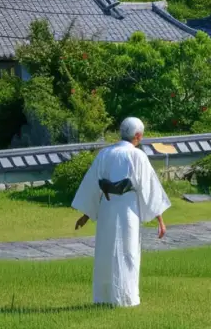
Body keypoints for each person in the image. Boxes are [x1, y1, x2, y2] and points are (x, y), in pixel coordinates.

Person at [72, 117, 171, 307]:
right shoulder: (137, 156)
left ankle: (105, 296)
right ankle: (126, 298)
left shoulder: (104, 154)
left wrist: (86, 214)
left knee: (106, 251)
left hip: (107, 207)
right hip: (128, 209)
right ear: (138, 135)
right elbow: (148, 187)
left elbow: (93, 185)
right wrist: (160, 219)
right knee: (128, 251)